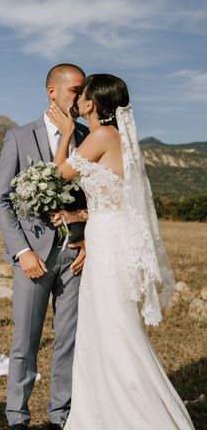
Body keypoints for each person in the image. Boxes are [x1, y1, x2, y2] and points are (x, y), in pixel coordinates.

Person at [47, 73, 195, 429]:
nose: (77, 101)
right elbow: (110, 198)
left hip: (110, 243)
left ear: (90, 104)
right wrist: (78, 213)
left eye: (81, 95)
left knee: (114, 327)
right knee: (105, 324)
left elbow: (57, 175)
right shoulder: (116, 138)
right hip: (107, 232)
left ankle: (136, 414)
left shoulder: (100, 135)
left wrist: (66, 133)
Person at [0, 63, 88, 429]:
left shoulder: (86, 135)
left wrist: (86, 239)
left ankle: (60, 416)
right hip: (33, 257)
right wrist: (22, 251)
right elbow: (0, 199)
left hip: (75, 255)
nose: (79, 98)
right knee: (25, 342)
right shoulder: (18, 136)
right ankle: (17, 417)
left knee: (69, 339)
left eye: (82, 92)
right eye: (73, 90)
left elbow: (97, 197)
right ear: (52, 91)